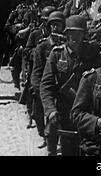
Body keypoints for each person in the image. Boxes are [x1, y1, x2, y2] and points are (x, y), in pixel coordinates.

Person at [40, 15, 101, 156]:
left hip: (88, 111)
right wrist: (50, 110)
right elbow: (46, 85)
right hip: (66, 111)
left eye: (79, 33)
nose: (75, 37)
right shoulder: (57, 55)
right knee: (69, 150)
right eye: (71, 33)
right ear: (66, 34)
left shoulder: (93, 52)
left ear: (84, 35)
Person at [31, 11, 66, 150]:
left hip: (63, 91)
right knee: (41, 118)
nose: (55, 28)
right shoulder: (42, 46)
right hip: (46, 89)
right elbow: (36, 73)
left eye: (58, 25)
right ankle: (48, 143)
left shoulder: (67, 47)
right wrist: (41, 92)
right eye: (52, 25)